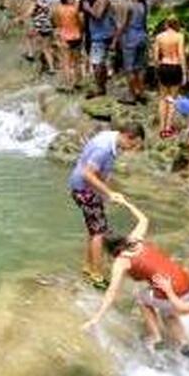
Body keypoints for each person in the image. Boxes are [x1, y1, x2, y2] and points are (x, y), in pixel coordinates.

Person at [82, 196, 189, 355]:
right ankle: (184, 345)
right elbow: (143, 219)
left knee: (142, 299)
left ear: (109, 249)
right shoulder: (136, 239)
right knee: (168, 313)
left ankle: (156, 337)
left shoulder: (122, 261)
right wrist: (126, 203)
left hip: (172, 291)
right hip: (188, 284)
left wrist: (96, 318)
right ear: (122, 238)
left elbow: (111, 293)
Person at [67, 122, 145, 289]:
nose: (131, 148)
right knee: (99, 233)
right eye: (133, 144)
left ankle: (88, 267)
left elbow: (97, 172)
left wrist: (104, 193)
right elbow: (87, 174)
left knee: (94, 229)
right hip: (84, 190)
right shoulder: (104, 149)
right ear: (126, 136)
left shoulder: (111, 137)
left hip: (89, 189)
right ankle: (96, 275)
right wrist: (109, 193)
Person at [153, 17, 187, 138]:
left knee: (162, 98)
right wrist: (184, 73)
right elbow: (181, 54)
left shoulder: (159, 37)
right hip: (175, 66)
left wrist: (158, 69)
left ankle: (161, 127)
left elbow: (156, 57)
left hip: (163, 65)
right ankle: (168, 128)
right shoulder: (179, 36)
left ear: (166, 24)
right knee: (172, 99)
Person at [114, 0, 148, 104]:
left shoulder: (127, 5)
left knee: (129, 69)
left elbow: (123, 25)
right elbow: (144, 23)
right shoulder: (142, 5)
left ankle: (132, 95)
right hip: (142, 37)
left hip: (130, 39)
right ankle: (141, 92)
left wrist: (115, 40)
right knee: (139, 67)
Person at [82, 0, 115, 98]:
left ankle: (100, 88)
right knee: (101, 63)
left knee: (96, 63)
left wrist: (88, 8)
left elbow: (98, 15)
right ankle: (102, 86)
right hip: (101, 35)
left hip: (101, 36)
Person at [54, 0, 83, 91]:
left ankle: (68, 84)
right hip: (76, 36)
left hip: (65, 37)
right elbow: (80, 22)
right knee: (76, 61)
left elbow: (58, 24)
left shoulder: (58, 9)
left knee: (66, 63)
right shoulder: (75, 9)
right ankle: (77, 82)